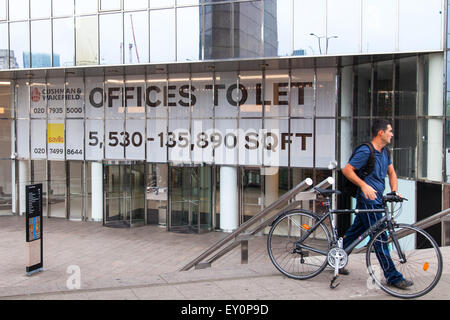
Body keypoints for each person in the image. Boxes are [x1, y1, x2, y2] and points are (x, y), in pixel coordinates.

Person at [341, 119, 413, 289]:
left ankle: (337, 257)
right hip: (368, 200)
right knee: (380, 237)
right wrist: (364, 185)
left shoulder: (385, 152)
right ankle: (393, 277)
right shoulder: (366, 151)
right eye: (390, 131)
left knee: (356, 231)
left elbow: (392, 172)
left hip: (377, 199)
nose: (392, 134)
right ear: (380, 133)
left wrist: (394, 190)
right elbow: (347, 170)